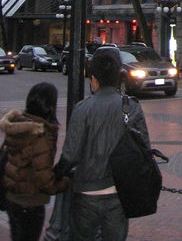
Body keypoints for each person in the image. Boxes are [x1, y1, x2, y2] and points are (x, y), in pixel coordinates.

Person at [54, 48, 151, 241]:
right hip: (119, 191)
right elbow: (144, 148)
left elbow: (71, 154)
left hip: (87, 190)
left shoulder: (82, 109)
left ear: (94, 79)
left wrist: (56, 175)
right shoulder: (131, 106)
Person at [0, 82, 68, 241]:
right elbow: (45, 180)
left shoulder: (18, 125)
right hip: (30, 202)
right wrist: (64, 183)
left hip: (12, 198)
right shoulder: (39, 135)